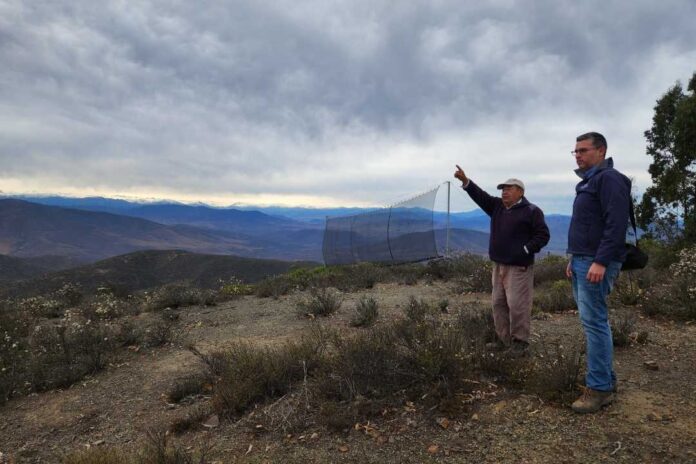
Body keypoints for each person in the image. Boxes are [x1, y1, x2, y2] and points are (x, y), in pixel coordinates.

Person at [454, 165, 550, 357]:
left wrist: (526, 249)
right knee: (498, 303)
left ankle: (520, 342)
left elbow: (543, 235)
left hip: (519, 267)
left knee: (517, 305)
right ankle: (503, 340)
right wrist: (466, 181)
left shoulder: (532, 211)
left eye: (509, 189)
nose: (504, 192)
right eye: (503, 189)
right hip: (498, 265)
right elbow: (480, 196)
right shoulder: (497, 206)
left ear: (520, 192)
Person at [565, 132, 631, 414]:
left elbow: (616, 223)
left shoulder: (609, 178)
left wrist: (601, 261)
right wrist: (574, 258)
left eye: (583, 150)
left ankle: (599, 389)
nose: (578, 155)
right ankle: (606, 380)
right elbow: (588, 225)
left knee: (595, 323)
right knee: (593, 321)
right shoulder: (592, 180)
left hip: (596, 261)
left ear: (601, 151)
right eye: (575, 151)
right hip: (584, 259)